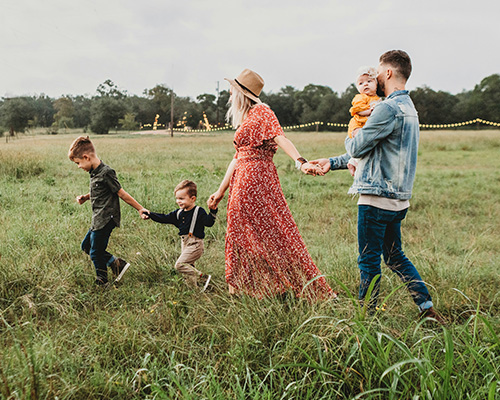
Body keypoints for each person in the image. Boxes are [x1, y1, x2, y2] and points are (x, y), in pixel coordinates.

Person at [310, 51, 444, 323]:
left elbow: (359, 146)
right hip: (398, 200)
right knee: (395, 257)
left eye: (379, 72)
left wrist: (354, 135)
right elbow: (376, 151)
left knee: (368, 261)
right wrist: (333, 162)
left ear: (389, 73)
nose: (376, 77)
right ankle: (426, 309)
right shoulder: (409, 109)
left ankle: (366, 318)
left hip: (376, 198)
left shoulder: (386, 108)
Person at [207, 68, 335, 301]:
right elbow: (237, 158)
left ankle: (287, 285)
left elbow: (280, 137)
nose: (228, 93)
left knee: (274, 231)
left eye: (232, 89)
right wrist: (220, 191)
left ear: (242, 93)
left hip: (256, 179)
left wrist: (301, 162)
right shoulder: (246, 117)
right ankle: (242, 288)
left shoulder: (262, 111)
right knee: (240, 232)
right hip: (242, 179)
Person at [68, 136, 148, 286]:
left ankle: (102, 280)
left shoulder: (106, 172)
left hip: (106, 218)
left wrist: (140, 208)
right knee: (86, 246)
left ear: (86, 157)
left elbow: (121, 193)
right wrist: (86, 197)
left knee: (95, 252)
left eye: (78, 163)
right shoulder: (95, 173)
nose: (78, 166)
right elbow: (101, 191)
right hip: (98, 218)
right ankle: (116, 264)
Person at [142, 180, 217, 291]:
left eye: (181, 198)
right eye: (177, 198)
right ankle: (194, 290)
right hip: (185, 243)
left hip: (195, 244)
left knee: (180, 265)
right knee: (188, 269)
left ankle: (203, 278)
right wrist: (150, 214)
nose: (178, 201)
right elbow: (164, 218)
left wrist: (213, 211)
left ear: (193, 199)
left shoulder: (198, 211)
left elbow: (209, 222)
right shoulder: (179, 213)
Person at [346, 66, 381, 175]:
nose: (365, 84)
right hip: (357, 125)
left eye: (369, 81)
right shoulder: (361, 97)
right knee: (361, 141)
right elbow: (357, 110)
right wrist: (369, 112)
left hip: (366, 126)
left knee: (368, 145)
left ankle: (353, 162)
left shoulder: (377, 99)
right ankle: (353, 162)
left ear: (376, 84)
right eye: (361, 83)